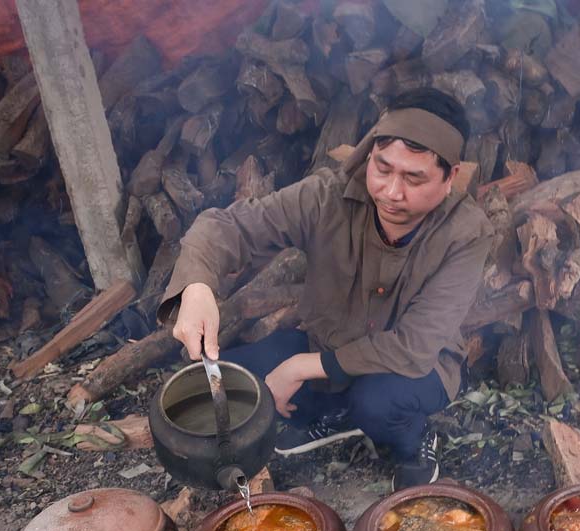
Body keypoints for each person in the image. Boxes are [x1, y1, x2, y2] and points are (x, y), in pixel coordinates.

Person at [158, 88, 493, 489]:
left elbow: (414, 346)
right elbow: (228, 228)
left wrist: (298, 367)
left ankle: (414, 440)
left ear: (449, 177)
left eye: (413, 178)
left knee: (376, 402)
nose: (391, 192)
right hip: (328, 346)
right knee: (231, 383)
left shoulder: (466, 233)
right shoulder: (327, 196)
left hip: (413, 368)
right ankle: (337, 415)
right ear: (370, 155)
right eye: (382, 168)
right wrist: (196, 288)